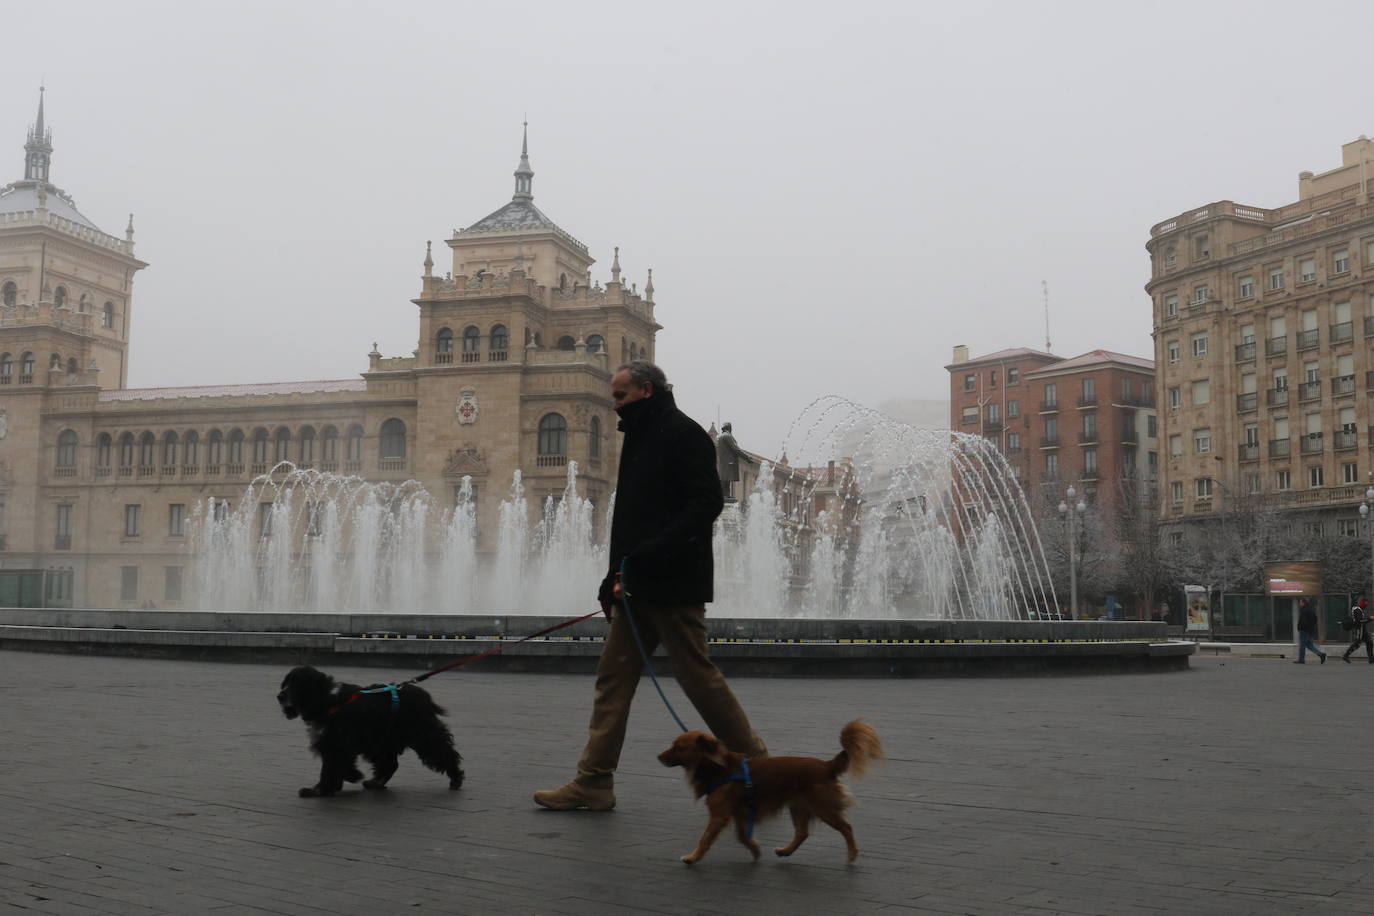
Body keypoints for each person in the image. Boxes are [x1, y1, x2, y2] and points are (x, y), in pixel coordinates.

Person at [533, 360, 768, 811]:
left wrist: (643, 559)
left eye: (620, 396)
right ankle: (594, 782)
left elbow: (705, 504)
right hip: (637, 585)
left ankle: (759, 769)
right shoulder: (640, 435)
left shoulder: (682, 433)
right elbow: (631, 522)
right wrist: (612, 578)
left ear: (645, 390)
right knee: (613, 682)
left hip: (673, 584)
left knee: (700, 680)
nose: (614, 405)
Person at [1294, 598, 1326, 664]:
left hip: (1304, 630)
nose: (1299, 604)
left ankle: (1301, 660)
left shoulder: (1304, 610)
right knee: (1309, 645)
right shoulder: (1310, 610)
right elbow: (1315, 619)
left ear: (1303, 603)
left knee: (1302, 646)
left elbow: (1303, 621)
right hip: (1310, 630)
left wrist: (1301, 627)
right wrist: (1311, 627)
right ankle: (1321, 655)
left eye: (1300, 602)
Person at [1343, 598, 1373, 664]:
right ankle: (1346, 655)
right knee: (1357, 643)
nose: (1366, 605)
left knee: (1369, 643)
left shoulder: (1359, 609)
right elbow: (1359, 621)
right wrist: (1369, 619)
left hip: (1362, 628)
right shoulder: (1357, 610)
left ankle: (1371, 659)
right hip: (1359, 629)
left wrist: (1368, 619)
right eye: (1365, 604)